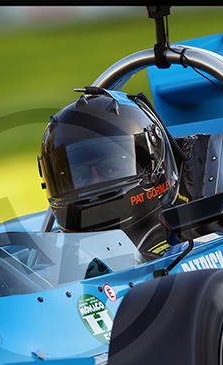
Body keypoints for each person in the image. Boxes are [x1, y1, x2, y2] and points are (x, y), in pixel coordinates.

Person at [38, 88, 184, 257]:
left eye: (111, 168)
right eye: (80, 176)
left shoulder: (193, 246)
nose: (95, 182)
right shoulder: (48, 260)